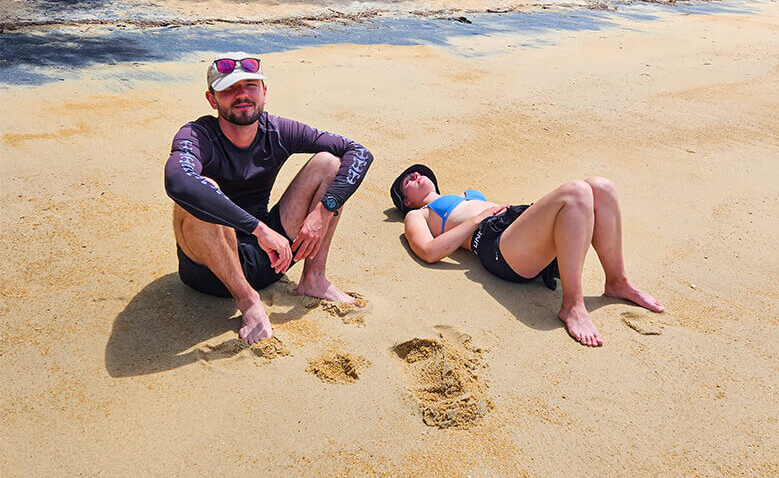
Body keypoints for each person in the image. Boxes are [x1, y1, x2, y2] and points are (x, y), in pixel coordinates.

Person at [165, 52, 373, 344]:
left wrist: (324, 211)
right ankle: (249, 302)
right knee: (197, 192)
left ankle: (314, 279)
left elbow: (359, 152)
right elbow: (178, 180)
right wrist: (259, 229)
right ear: (213, 100)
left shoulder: (278, 131)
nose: (242, 95)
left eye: (250, 86)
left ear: (265, 92)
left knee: (329, 163)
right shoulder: (198, 136)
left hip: (271, 261)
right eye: (229, 88)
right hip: (211, 275)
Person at [390, 165, 663, 347]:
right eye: (408, 181)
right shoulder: (418, 215)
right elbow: (428, 252)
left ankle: (617, 281)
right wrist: (477, 220)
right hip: (493, 243)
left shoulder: (468, 194)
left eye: (417, 173)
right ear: (407, 202)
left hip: (514, 228)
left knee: (600, 187)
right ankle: (572, 304)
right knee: (577, 191)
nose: (415, 175)